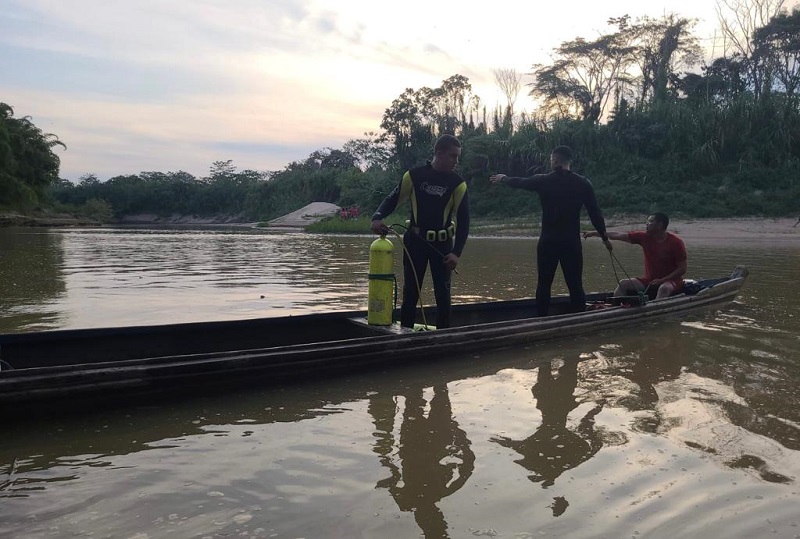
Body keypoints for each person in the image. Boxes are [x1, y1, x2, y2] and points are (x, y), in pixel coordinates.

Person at [489, 146, 611, 316]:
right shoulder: (583, 183)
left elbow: (521, 182)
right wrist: (605, 238)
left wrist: (504, 178)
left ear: (555, 160)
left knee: (544, 284)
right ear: (569, 161)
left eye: (551, 159)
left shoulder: (543, 180)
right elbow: (595, 213)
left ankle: (542, 320)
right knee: (575, 284)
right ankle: (579, 321)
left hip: (548, 241)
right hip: (570, 242)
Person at [370, 134, 470, 329]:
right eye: (453, 156)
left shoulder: (458, 184)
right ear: (439, 153)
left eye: (457, 156)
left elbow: (464, 221)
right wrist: (377, 217)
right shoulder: (414, 176)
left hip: (443, 246)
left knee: (443, 294)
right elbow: (393, 199)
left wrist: (456, 253)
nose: (456, 161)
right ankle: (405, 333)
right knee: (410, 292)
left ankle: (444, 336)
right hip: (415, 242)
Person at [583, 212, 687, 300]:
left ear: (660, 225)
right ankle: (617, 308)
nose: (647, 224)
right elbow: (618, 235)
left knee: (664, 288)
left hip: (672, 281)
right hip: (650, 280)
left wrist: (662, 280)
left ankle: (653, 312)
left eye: (650, 221)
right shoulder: (643, 237)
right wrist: (595, 233)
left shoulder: (676, 242)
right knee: (623, 284)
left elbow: (682, 269)